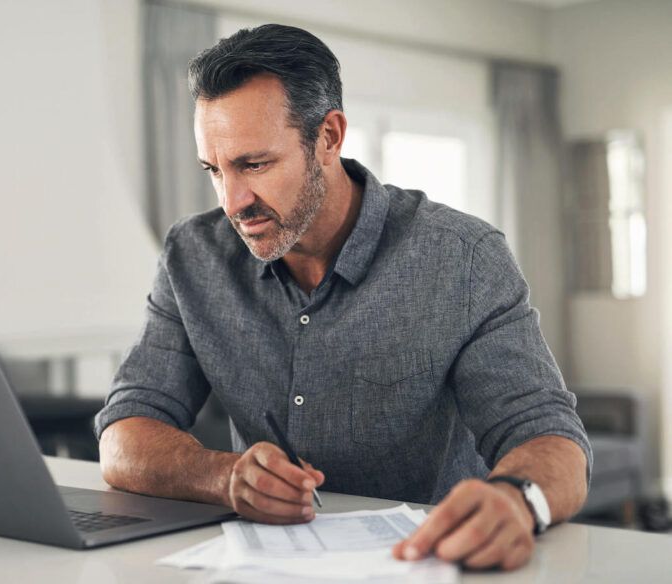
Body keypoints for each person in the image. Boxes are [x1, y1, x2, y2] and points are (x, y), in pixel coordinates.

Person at [95, 24, 591, 572]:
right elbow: (125, 432)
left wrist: (516, 500)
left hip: (431, 564)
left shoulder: (463, 258)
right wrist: (225, 476)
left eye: (254, 164)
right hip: (263, 569)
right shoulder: (192, 255)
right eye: (215, 169)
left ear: (329, 137)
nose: (233, 201)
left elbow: (551, 435)